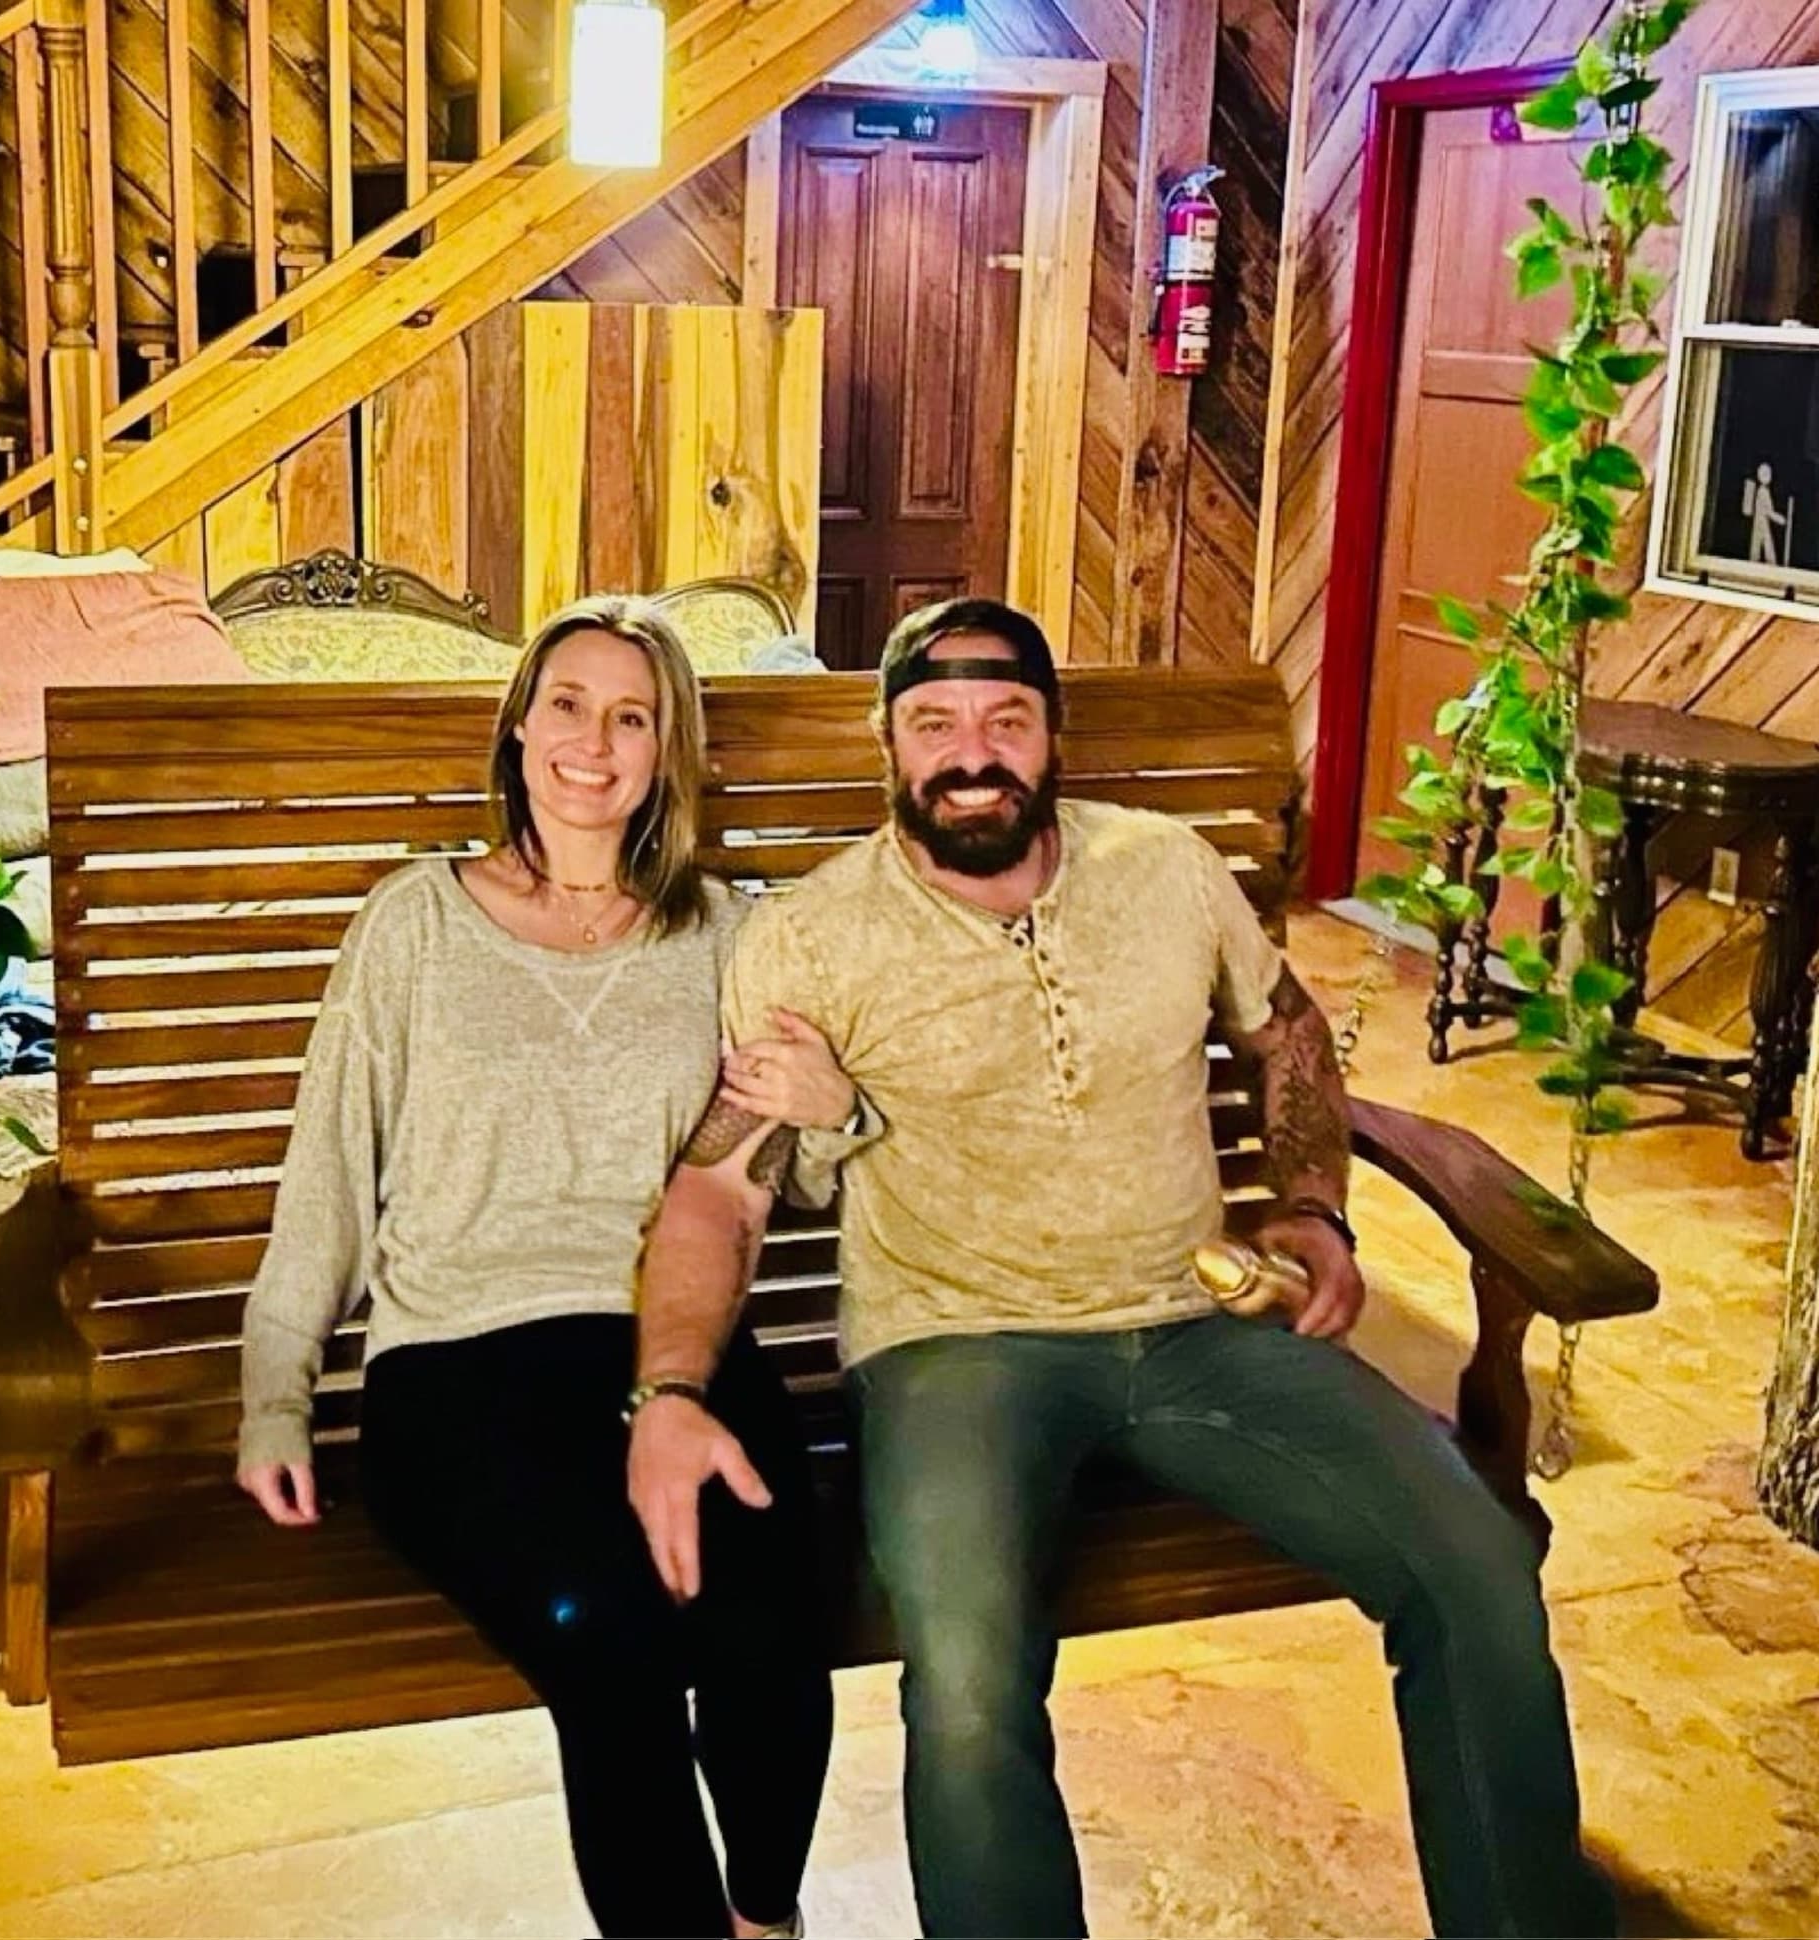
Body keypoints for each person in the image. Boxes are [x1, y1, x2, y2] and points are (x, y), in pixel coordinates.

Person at [626, 596, 1616, 1940]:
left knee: (1478, 1566)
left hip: (1198, 1330)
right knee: (968, 1679)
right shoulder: (808, 940)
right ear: (889, 749)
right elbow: (716, 1190)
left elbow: (1288, 1033)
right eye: (935, 724)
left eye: (1006, 721)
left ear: (1053, 740)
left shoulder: (1170, 868)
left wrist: (1316, 1210)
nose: (971, 753)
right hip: (955, 1351)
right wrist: (670, 1389)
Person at [237, 598, 856, 1940]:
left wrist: (832, 1099)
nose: (594, 740)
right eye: (567, 704)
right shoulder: (414, 923)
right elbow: (329, 1175)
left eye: (632, 716)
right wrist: (276, 1390)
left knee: (764, 1631)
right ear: (519, 727)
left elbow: (781, 1173)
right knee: (612, 1640)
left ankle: (765, 1916)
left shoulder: (727, 937)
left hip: (669, 1348)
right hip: (459, 1368)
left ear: (665, 754)